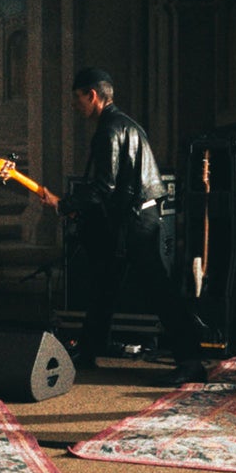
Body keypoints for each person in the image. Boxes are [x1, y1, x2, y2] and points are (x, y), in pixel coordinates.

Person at [39, 67, 206, 384]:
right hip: (136, 217)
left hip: (135, 222)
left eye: (77, 98)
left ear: (92, 95)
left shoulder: (109, 129)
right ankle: (89, 351)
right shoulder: (125, 124)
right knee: (105, 284)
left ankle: (191, 362)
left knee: (159, 292)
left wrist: (64, 204)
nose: (74, 105)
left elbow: (104, 187)